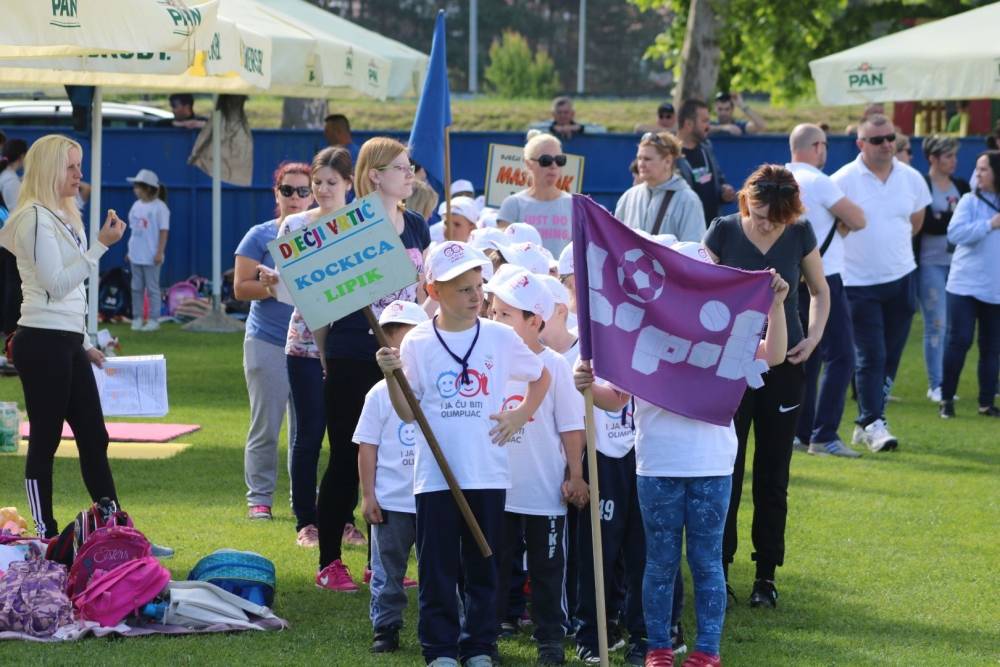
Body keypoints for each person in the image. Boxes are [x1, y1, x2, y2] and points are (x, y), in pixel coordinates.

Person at [574, 244, 790, 667]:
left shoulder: (732, 330)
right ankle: (659, 648)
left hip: (711, 465)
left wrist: (777, 305)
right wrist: (585, 384)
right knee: (659, 562)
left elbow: (776, 354)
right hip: (657, 465)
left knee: (706, 562)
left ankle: (708, 651)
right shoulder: (644, 331)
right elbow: (615, 399)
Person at [375, 240, 550, 667]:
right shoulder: (417, 341)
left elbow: (540, 376)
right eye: (463, 289)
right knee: (437, 567)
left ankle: (480, 644)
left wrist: (520, 414)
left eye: (478, 287)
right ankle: (439, 646)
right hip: (434, 475)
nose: (476, 297)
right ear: (433, 292)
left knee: (484, 563)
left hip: (487, 473)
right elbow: (407, 412)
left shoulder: (499, 336)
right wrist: (392, 376)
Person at [705, 165, 829, 608]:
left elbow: (819, 289)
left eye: (775, 219)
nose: (765, 224)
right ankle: (719, 567)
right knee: (726, 469)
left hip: (785, 362)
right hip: (730, 365)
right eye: (758, 215)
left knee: (774, 473)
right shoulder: (722, 231)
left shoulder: (800, 232)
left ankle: (766, 574)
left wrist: (812, 337)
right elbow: (699, 289)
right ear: (745, 201)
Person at [312, 137, 430, 593]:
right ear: (375, 174)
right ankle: (330, 560)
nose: (410, 175)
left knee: (400, 458)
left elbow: (422, 293)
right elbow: (320, 299)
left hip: (402, 355)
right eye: (401, 168)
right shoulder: (347, 225)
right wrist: (326, 354)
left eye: (411, 167)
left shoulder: (417, 225)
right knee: (346, 454)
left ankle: (384, 559)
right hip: (351, 353)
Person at [0, 135, 126, 538]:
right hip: (41, 339)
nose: (79, 174)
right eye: (71, 167)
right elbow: (56, 285)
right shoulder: (34, 218)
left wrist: (85, 342)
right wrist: (100, 248)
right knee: (46, 438)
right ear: (50, 170)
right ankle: (45, 532)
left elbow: (72, 292)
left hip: (63, 340)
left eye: (79, 165)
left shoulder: (58, 215)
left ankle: (112, 527)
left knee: (94, 435)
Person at [487, 268, 587, 665]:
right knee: (490, 566)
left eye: (506, 315)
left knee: (547, 571)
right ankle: (485, 636)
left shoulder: (557, 365)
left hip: (543, 490)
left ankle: (549, 639)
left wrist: (575, 474)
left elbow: (571, 424)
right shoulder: (486, 356)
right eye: (494, 313)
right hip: (494, 486)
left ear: (536, 321)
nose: (496, 321)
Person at [258, 148, 353, 548]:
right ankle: (307, 521)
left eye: (332, 182)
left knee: (347, 435)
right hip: (304, 344)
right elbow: (289, 286)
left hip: (349, 344)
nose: (324, 190)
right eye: (318, 183)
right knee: (309, 432)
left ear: (349, 183)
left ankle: (344, 517)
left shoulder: (361, 223)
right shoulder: (294, 225)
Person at [832, 114, 931, 452]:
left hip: (902, 278)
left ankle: (867, 420)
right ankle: (874, 422)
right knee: (871, 356)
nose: (887, 144)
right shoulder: (842, 180)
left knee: (890, 357)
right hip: (858, 283)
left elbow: (915, 223)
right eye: (877, 140)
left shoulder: (913, 178)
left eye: (890, 138)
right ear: (861, 144)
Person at [233, 162, 309, 520]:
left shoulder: (323, 233)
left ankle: (302, 500)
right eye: (288, 190)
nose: (295, 198)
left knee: (306, 429)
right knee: (266, 423)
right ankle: (259, 498)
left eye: (303, 191)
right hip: (267, 339)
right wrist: (274, 285)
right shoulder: (259, 235)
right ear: (276, 193)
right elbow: (240, 288)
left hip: (310, 343)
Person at [786, 124, 868, 457]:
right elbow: (858, 219)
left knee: (806, 355)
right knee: (841, 355)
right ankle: (824, 435)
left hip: (790, 278)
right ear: (818, 147)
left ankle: (801, 432)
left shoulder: (779, 177)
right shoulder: (820, 181)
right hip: (824, 278)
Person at [356, 300, 428, 653]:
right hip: (392, 503)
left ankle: (443, 625)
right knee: (388, 573)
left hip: (432, 497)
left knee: (441, 570)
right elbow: (366, 447)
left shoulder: (434, 389)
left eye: (406, 342)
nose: (397, 350)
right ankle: (386, 628)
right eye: (388, 340)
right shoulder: (378, 395)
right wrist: (368, 495)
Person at [939, 150, 1000, 419]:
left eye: (984, 169)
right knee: (959, 341)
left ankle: (986, 403)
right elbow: (955, 233)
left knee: (991, 347)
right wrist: (989, 224)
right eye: (977, 168)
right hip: (964, 284)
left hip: (995, 287)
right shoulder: (968, 200)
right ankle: (946, 400)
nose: (978, 173)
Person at [915, 136, 970, 403]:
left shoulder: (961, 185)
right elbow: (928, 225)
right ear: (933, 159)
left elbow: (966, 220)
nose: (953, 161)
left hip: (958, 265)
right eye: (947, 156)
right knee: (936, 323)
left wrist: (945, 219)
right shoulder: (924, 185)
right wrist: (951, 220)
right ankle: (935, 384)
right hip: (930, 263)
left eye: (954, 156)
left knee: (954, 327)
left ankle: (946, 383)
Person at [615, 131, 705, 242]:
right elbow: (615, 242)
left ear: (667, 161)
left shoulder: (688, 201)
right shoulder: (628, 197)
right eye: (639, 158)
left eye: (647, 159)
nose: (641, 164)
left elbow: (693, 250)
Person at [498, 131, 574, 257]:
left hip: (561, 276)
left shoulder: (574, 205)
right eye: (546, 160)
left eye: (559, 160)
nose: (554, 166)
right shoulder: (513, 204)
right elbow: (503, 254)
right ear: (529, 164)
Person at [676, 100, 736, 226]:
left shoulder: (706, 147)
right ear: (688, 124)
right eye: (704, 121)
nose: (709, 126)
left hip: (712, 231)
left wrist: (724, 191)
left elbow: (718, 180)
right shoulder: (670, 155)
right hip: (686, 231)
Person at [125, 169, 169, 332]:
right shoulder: (136, 206)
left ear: (148, 188)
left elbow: (164, 231)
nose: (135, 189)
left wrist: (159, 252)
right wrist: (130, 251)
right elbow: (134, 231)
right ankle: (137, 318)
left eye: (138, 186)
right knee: (136, 287)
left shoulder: (160, 208)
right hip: (136, 255)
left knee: (152, 288)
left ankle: (153, 319)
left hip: (151, 257)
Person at [0, 139, 29, 349]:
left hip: (7, 238)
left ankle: (8, 325)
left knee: (10, 283)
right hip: (10, 239)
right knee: (13, 285)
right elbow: (16, 211)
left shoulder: (8, 178)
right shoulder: (10, 180)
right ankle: (10, 326)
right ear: (21, 155)